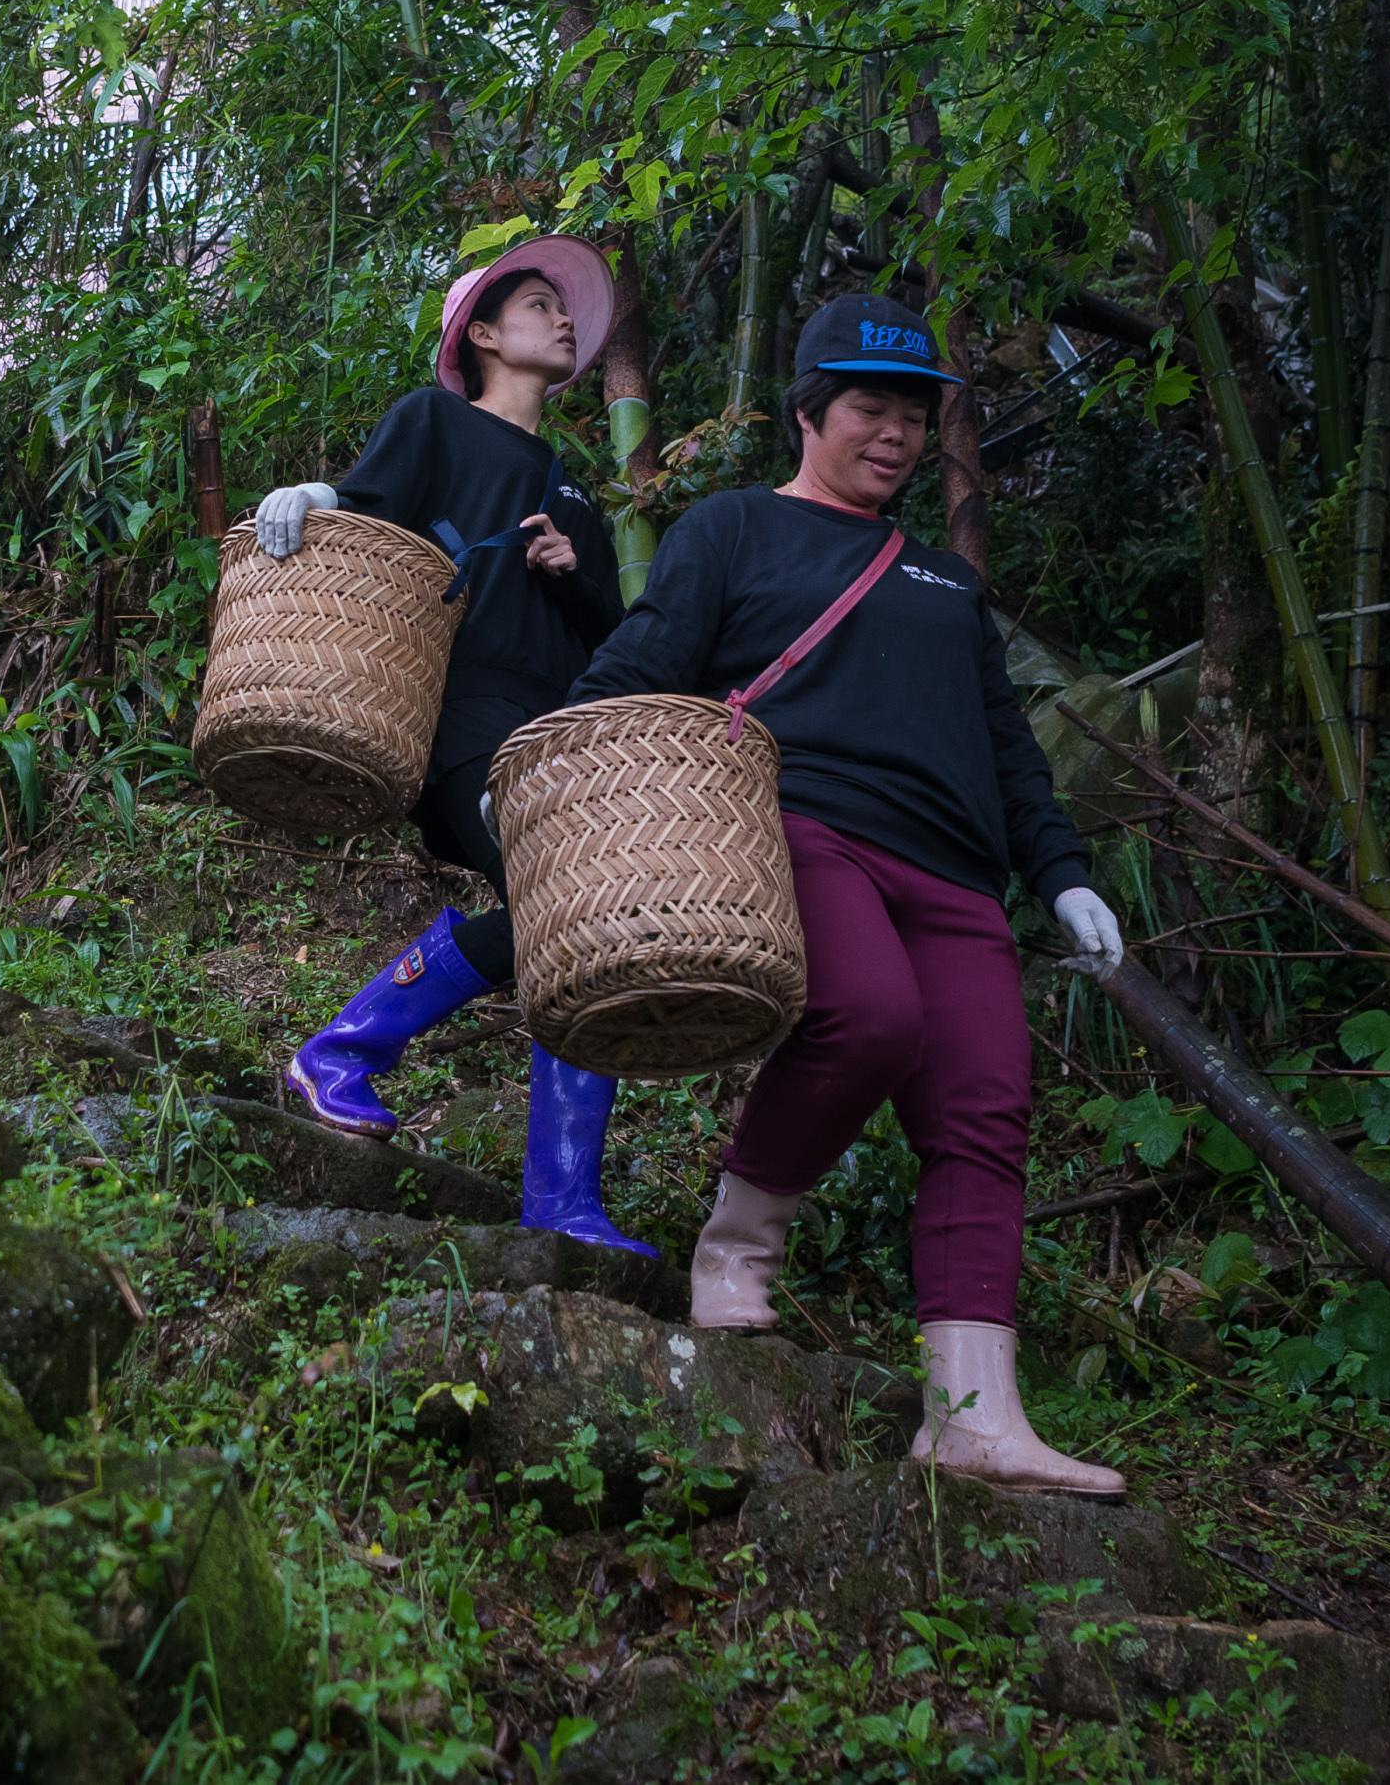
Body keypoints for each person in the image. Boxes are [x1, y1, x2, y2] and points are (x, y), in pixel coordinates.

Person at [565, 294, 1134, 1495]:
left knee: (983, 1109)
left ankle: (973, 1416)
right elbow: (636, 673)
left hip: (957, 870)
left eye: (914, 417)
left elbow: (1006, 745)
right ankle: (735, 1246)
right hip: (801, 827)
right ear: (809, 411)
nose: (892, 435)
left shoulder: (942, 578)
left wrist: (1064, 875)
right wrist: (541, 775)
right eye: (868, 408)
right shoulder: (728, 530)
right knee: (870, 1016)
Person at [251, 234, 647, 1255]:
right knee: (563, 904)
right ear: (479, 333)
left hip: (555, 733)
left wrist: (576, 573)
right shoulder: (435, 420)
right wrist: (314, 498)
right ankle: (344, 1058)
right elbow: (371, 506)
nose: (563, 322)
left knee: (573, 923)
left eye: (565, 313)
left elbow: (614, 645)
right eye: (535, 307)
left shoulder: (572, 494)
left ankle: (552, 1195)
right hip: (457, 714)